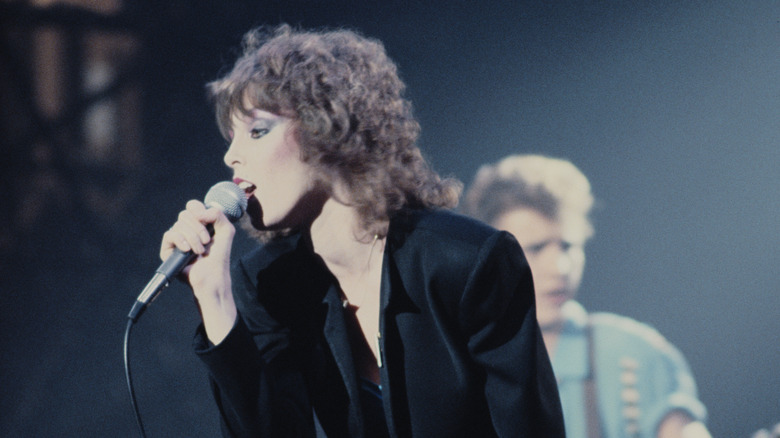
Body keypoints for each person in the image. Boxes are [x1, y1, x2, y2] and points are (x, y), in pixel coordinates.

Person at [160, 25, 565, 437]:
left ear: (327, 126)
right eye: (230, 138)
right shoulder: (268, 283)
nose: (231, 156)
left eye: (258, 131)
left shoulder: (466, 262)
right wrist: (214, 297)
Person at [462, 154, 711, 438]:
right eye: (536, 248)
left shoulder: (636, 352)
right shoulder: (459, 362)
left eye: (568, 247)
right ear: (488, 260)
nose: (560, 268)